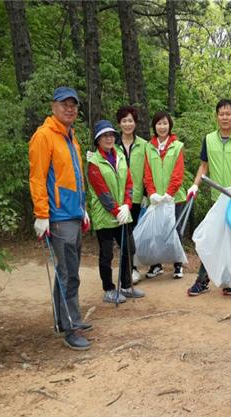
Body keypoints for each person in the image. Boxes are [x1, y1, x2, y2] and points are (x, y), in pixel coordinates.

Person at [29, 86, 91, 351]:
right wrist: (42, 214)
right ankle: (69, 327)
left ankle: (67, 318)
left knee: (70, 272)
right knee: (67, 274)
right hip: (58, 217)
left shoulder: (70, 137)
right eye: (64, 104)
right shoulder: (44, 136)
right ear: (53, 106)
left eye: (73, 105)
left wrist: (82, 208)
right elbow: (37, 177)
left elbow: (75, 177)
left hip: (73, 214)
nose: (70, 108)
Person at [186, 99, 231, 296]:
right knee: (212, 239)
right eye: (221, 114)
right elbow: (203, 166)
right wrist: (194, 185)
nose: (225, 117)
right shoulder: (209, 139)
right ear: (217, 116)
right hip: (217, 199)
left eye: (228, 113)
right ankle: (202, 281)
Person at [87, 120, 145, 304]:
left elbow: (129, 183)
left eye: (111, 135)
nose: (109, 138)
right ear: (98, 139)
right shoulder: (94, 162)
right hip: (105, 215)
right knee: (106, 254)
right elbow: (101, 192)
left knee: (129, 248)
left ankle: (126, 285)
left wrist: (127, 204)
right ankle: (109, 289)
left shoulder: (119, 155)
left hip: (123, 212)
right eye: (105, 135)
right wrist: (115, 209)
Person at [142, 111, 186, 278]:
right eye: (159, 124)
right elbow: (147, 173)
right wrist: (152, 193)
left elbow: (178, 173)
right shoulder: (149, 146)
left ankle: (178, 265)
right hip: (156, 199)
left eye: (165, 123)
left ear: (170, 125)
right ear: (154, 126)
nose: (162, 127)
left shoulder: (177, 146)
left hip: (174, 198)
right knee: (156, 232)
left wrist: (169, 193)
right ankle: (156, 265)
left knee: (175, 230)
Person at [115, 106, 149, 285]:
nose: (127, 124)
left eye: (130, 120)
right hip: (118, 199)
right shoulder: (113, 144)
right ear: (119, 123)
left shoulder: (144, 145)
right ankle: (128, 271)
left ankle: (132, 269)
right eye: (124, 120)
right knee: (123, 236)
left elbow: (147, 171)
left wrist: (145, 194)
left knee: (133, 235)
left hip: (137, 198)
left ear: (135, 123)